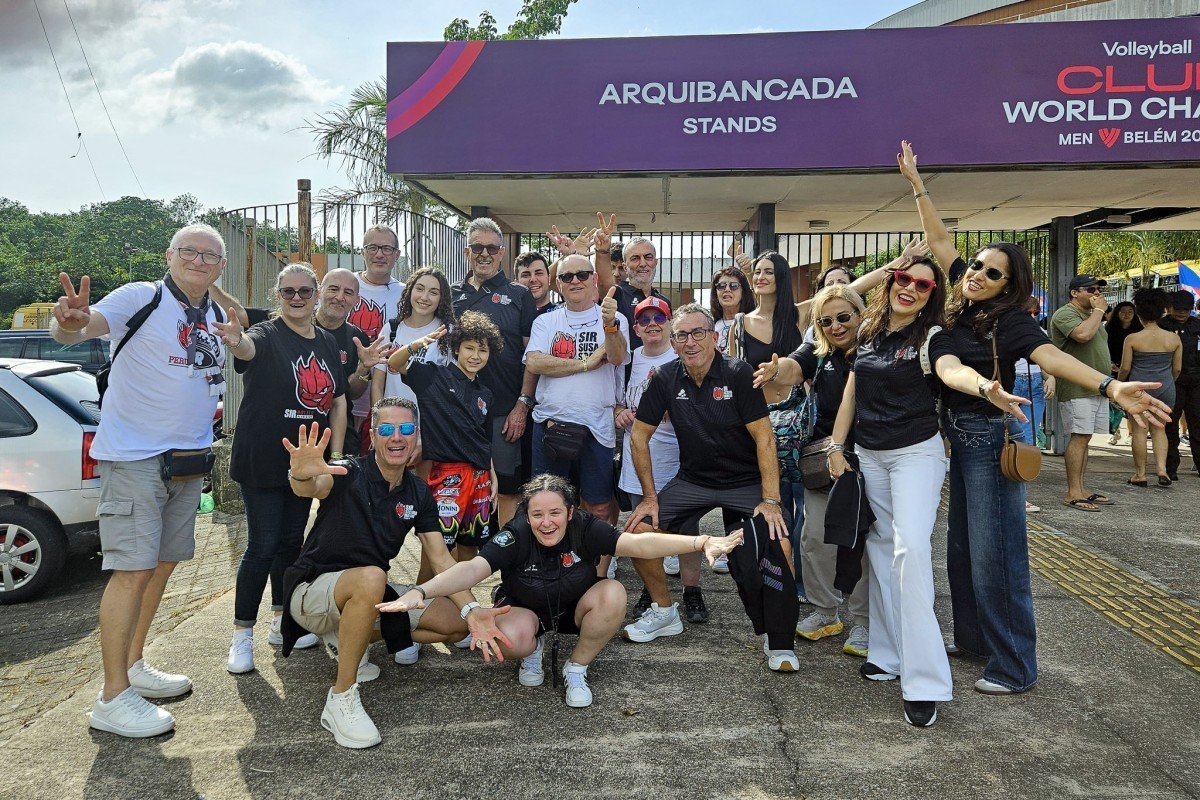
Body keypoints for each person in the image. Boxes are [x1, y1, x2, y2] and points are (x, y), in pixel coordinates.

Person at [899, 138, 1172, 704]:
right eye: (977, 265)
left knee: (996, 554)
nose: (977, 273)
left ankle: (1016, 664)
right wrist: (918, 186)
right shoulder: (962, 304)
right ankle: (974, 642)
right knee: (962, 550)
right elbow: (941, 240)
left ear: (1009, 285)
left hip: (992, 438)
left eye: (992, 272)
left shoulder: (1011, 322)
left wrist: (1110, 386)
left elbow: (1052, 357)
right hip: (958, 437)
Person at [53, 222, 247, 737]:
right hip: (136, 458)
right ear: (169, 255)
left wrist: (236, 328)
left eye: (210, 256)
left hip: (188, 460)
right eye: (189, 251)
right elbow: (78, 328)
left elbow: (240, 343)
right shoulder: (140, 297)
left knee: (161, 566)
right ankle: (111, 697)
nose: (199, 261)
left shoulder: (214, 314)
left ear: (221, 266)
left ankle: (133, 664)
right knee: (131, 571)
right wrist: (69, 323)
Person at [376, 474, 743, 708]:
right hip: (524, 608)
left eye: (555, 513)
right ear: (527, 515)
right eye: (537, 515)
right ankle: (533, 648)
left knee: (613, 593)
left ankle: (576, 667)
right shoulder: (516, 534)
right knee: (511, 637)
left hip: (574, 606)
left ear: (570, 512)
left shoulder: (586, 527)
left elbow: (640, 544)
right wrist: (421, 591)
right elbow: (472, 569)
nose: (546, 522)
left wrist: (701, 541)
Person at [278, 403, 510, 748]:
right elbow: (314, 485)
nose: (397, 437)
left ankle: (346, 638)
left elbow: (442, 561)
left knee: (455, 623)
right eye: (386, 430)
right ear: (373, 436)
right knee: (373, 577)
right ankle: (341, 698)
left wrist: (472, 610)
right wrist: (300, 475)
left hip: (365, 593)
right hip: (311, 591)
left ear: (417, 436)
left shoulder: (418, 492)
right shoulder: (348, 472)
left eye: (406, 429)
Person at [624, 304, 801, 672]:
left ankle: (780, 638)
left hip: (745, 482)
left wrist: (771, 499)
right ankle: (664, 611)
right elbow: (639, 437)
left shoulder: (738, 373)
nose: (690, 342)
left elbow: (765, 439)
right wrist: (650, 498)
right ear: (673, 342)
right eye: (682, 335)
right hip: (694, 480)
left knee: (779, 542)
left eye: (698, 333)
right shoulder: (665, 378)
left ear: (715, 337)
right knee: (637, 531)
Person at [827, 244, 951, 728]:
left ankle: (925, 682)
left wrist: (982, 386)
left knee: (911, 550)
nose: (911, 288)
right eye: (904, 279)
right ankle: (887, 653)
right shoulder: (870, 331)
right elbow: (853, 392)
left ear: (932, 294)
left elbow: (950, 370)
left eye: (923, 284)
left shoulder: (933, 335)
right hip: (869, 454)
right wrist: (837, 446)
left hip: (915, 452)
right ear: (891, 282)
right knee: (879, 550)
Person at [220, 263, 348, 674]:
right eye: (288, 291)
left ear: (316, 295)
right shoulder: (266, 333)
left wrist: (333, 457)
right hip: (262, 458)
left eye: (304, 291)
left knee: (292, 542)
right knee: (262, 545)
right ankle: (242, 634)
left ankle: (281, 619)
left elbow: (338, 401)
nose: (296, 298)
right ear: (277, 295)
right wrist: (236, 341)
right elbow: (247, 348)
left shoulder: (326, 341)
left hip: (307, 462)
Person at [753, 284, 872, 657]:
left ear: (860, 314)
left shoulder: (875, 350)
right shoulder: (819, 353)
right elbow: (793, 366)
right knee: (814, 539)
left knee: (865, 546)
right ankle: (825, 611)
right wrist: (776, 369)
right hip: (824, 462)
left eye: (843, 317)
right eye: (826, 321)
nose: (836, 326)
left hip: (871, 459)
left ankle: (865, 622)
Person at [386, 312, 502, 575]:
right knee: (436, 550)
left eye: (482, 350)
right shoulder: (433, 376)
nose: (475, 356)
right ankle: (423, 596)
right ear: (456, 348)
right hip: (446, 477)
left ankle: (457, 598)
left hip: (480, 478)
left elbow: (484, 440)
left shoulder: (485, 393)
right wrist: (417, 344)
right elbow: (394, 362)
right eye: (469, 348)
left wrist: (492, 474)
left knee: (470, 548)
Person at [524, 255, 629, 521]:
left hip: (597, 425)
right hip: (551, 423)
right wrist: (585, 363)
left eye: (582, 275)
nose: (575, 281)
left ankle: (594, 549)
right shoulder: (545, 321)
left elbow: (617, 357)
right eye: (566, 276)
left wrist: (610, 326)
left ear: (594, 279)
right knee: (547, 502)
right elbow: (535, 362)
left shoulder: (615, 319)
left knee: (599, 505)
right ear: (558, 284)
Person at [452, 218, 538, 528]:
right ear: (467, 251)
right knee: (461, 484)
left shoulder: (519, 294)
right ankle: (464, 552)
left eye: (491, 248)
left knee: (507, 489)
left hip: (504, 411)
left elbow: (532, 357)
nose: (484, 254)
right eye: (477, 247)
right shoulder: (451, 294)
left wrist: (522, 405)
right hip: (459, 410)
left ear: (502, 253)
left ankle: (506, 551)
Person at [613, 298, 686, 613]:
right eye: (645, 320)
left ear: (670, 324)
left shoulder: (682, 357)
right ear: (636, 328)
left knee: (680, 528)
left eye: (659, 318)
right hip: (637, 461)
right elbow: (616, 400)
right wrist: (620, 412)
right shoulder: (627, 361)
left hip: (676, 459)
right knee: (642, 527)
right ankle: (651, 590)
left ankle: (691, 590)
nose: (652, 324)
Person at [1050, 273, 1117, 511]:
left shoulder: (1091, 316)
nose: (1096, 293)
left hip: (1097, 386)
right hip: (1077, 386)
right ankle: (1073, 492)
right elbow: (1082, 335)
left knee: (1085, 437)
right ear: (1074, 293)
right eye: (1090, 290)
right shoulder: (1065, 314)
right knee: (1079, 436)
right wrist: (1099, 311)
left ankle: (1081, 488)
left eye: (1098, 289)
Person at [315, 268, 390, 458]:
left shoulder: (357, 338)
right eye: (333, 289)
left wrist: (363, 369)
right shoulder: (296, 325)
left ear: (356, 300)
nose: (340, 297)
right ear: (319, 291)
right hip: (293, 429)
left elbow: (353, 393)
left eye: (348, 292)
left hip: (339, 435)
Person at [348, 225, 405, 455]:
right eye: (372, 247)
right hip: (343, 394)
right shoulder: (345, 285)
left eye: (386, 248)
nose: (379, 254)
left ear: (397, 254)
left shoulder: (406, 294)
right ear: (362, 251)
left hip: (386, 396)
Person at [370, 266, 456, 415]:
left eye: (433, 292)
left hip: (431, 422)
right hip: (393, 422)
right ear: (410, 290)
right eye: (420, 289)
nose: (424, 297)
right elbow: (377, 386)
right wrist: (378, 420)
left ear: (442, 298)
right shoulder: (391, 330)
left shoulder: (447, 332)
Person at [1118, 289, 1182, 487]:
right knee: (1160, 429)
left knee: (1139, 431)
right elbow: (1177, 368)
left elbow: (1125, 367)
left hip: (1138, 388)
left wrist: (1119, 385)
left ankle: (1140, 474)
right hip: (1165, 387)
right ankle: (1162, 471)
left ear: (1139, 313)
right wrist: (1168, 381)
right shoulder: (1173, 339)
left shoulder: (1132, 339)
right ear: (1163, 312)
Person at [1160, 290, 1200, 480]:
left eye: (1186, 309)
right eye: (1178, 309)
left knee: (1197, 424)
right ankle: (1170, 468)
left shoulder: (1197, 325)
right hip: (1172, 380)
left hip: (1196, 380)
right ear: (1170, 308)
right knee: (1170, 424)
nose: (1182, 313)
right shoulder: (1162, 326)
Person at [1104, 301, 1142, 445]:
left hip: (1133, 369)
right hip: (1113, 368)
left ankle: (1131, 433)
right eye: (1123, 312)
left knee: (1131, 404)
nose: (1127, 315)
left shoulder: (1139, 329)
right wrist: (1109, 363)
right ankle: (1115, 431)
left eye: (1130, 312)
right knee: (1113, 402)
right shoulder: (1109, 328)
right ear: (1117, 313)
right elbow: (1103, 348)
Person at [708, 265, 755, 354]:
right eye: (721, 286)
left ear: (743, 292)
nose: (727, 289)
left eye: (734, 285)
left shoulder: (752, 323)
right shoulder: (709, 326)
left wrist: (749, 272)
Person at [515, 251, 557, 316]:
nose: (533, 279)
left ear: (549, 278)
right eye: (526, 275)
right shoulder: (508, 318)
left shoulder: (563, 316)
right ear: (516, 283)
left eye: (539, 273)